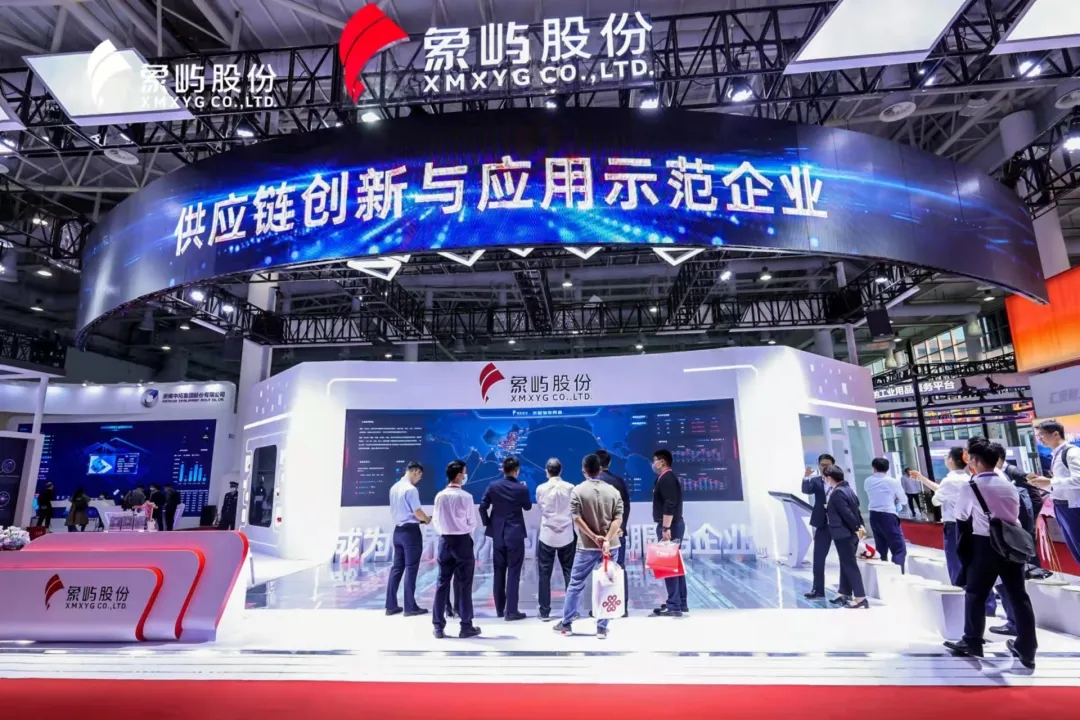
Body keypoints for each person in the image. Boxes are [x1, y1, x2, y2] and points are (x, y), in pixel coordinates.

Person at [943, 438, 1037, 669]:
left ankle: (972, 641)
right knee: (1019, 596)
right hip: (1011, 544)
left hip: (983, 545)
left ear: (975, 461)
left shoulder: (972, 486)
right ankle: (1027, 648)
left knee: (976, 593)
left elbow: (961, 515)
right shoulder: (1008, 485)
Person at [553, 454, 624, 640]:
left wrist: (594, 537)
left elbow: (576, 518)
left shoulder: (577, 491)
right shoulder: (613, 491)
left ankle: (567, 623)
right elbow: (618, 519)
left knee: (576, 584)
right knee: (607, 584)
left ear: (584, 470)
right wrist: (606, 539)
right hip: (610, 546)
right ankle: (602, 628)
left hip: (586, 546)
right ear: (600, 469)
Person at [431, 460, 481, 640]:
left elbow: (435, 520)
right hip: (462, 541)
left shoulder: (439, 496)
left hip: (445, 541)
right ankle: (466, 626)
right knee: (465, 585)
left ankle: (438, 627)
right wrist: (462, 529)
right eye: (464, 473)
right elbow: (472, 522)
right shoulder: (466, 497)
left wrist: (446, 531)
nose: (466, 476)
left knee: (441, 584)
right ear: (459, 475)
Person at [479, 456, 532, 621]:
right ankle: (511, 611)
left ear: (503, 470)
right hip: (515, 535)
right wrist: (524, 489)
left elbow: (482, 507)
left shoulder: (493, 486)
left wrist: (488, 523)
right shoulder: (521, 488)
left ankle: (500, 610)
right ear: (516, 471)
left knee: (498, 572)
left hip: (498, 535)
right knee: (514, 573)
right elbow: (528, 507)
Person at [910, 448, 970, 586]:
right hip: (968, 524)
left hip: (953, 525)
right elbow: (941, 490)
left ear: (951, 460)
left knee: (954, 560)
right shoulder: (967, 479)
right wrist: (921, 478)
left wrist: (938, 496)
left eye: (946, 456)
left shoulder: (949, 481)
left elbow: (936, 500)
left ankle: (959, 589)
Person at [1030, 420, 1080, 567]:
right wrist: (1042, 484)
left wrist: (1050, 482)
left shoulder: (1071, 452)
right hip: (1061, 505)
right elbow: (1060, 484)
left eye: (1042, 434)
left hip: (1073, 507)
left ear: (1056, 434)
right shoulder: (1056, 454)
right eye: (1038, 435)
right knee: (1074, 547)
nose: (1039, 438)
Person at [386, 461, 432, 617]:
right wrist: (426, 519)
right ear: (416, 472)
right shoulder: (411, 489)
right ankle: (410, 607)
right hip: (411, 533)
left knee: (397, 568)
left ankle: (391, 605)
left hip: (398, 531)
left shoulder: (394, 487)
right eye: (420, 476)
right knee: (411, 569)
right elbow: (417, 512)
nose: (419, 479)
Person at [535, 458, 576, 621]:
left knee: (544, 574)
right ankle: (571, 611)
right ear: (561, 470)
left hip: (548, 534)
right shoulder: (571, 487)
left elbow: (541, 507)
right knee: (569, 572)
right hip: (566, 534)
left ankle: (544, 611)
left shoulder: (541, 488)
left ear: (547, 471)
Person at [823, 467, 868, 609]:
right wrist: (859, 526)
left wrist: (856, 527)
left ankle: (860, 597)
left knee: (849, 564)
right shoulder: (848, 490)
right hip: (850, 533)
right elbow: (856, 510)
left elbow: (846, 513)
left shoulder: (837, 493)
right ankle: (844, 592)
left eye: (825, 478)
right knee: (845, 563)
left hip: (844, 533)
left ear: (829, 478)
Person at [802, 453, 845, 600]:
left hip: (839, 524)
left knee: (844, 558)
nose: (824, 467)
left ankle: (844, 591)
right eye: (822, 465)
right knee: (818, 558)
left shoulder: (839, 481)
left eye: (827, 464)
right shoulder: (815, 481)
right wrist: (806, 477)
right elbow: (806, 490)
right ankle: (818, 589)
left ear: (833, 465)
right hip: (822, 524)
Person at [651, 449, 687, 616]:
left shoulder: (667, 478)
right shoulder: (665, 478)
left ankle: (674, 605)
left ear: (662, 462)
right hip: (672, 525)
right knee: (675, 565)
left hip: (670, 527)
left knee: (669, 565)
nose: (653, 464)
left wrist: (666, 528)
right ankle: (679, 601)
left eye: (655, 460)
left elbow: (670, 504)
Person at [596, 449, 631, 617]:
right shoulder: (618, 481)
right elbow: (626, 506)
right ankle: (622, 607)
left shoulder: (593, 483)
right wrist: (621, 526)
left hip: (599, 534)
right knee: (619, 568)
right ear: (609, 463)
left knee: (600, 568)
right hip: (617, 532)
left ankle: (601, 607)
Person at [864, 457, 907, 571]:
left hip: (874, 515)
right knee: (898, 548)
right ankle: (898, 573)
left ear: (874, 468)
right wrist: (895, 499)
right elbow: (903, 500)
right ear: (887, 469)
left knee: (880, 547)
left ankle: (883, 573)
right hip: (888, 515)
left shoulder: (868, 481)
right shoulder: (892, 481)